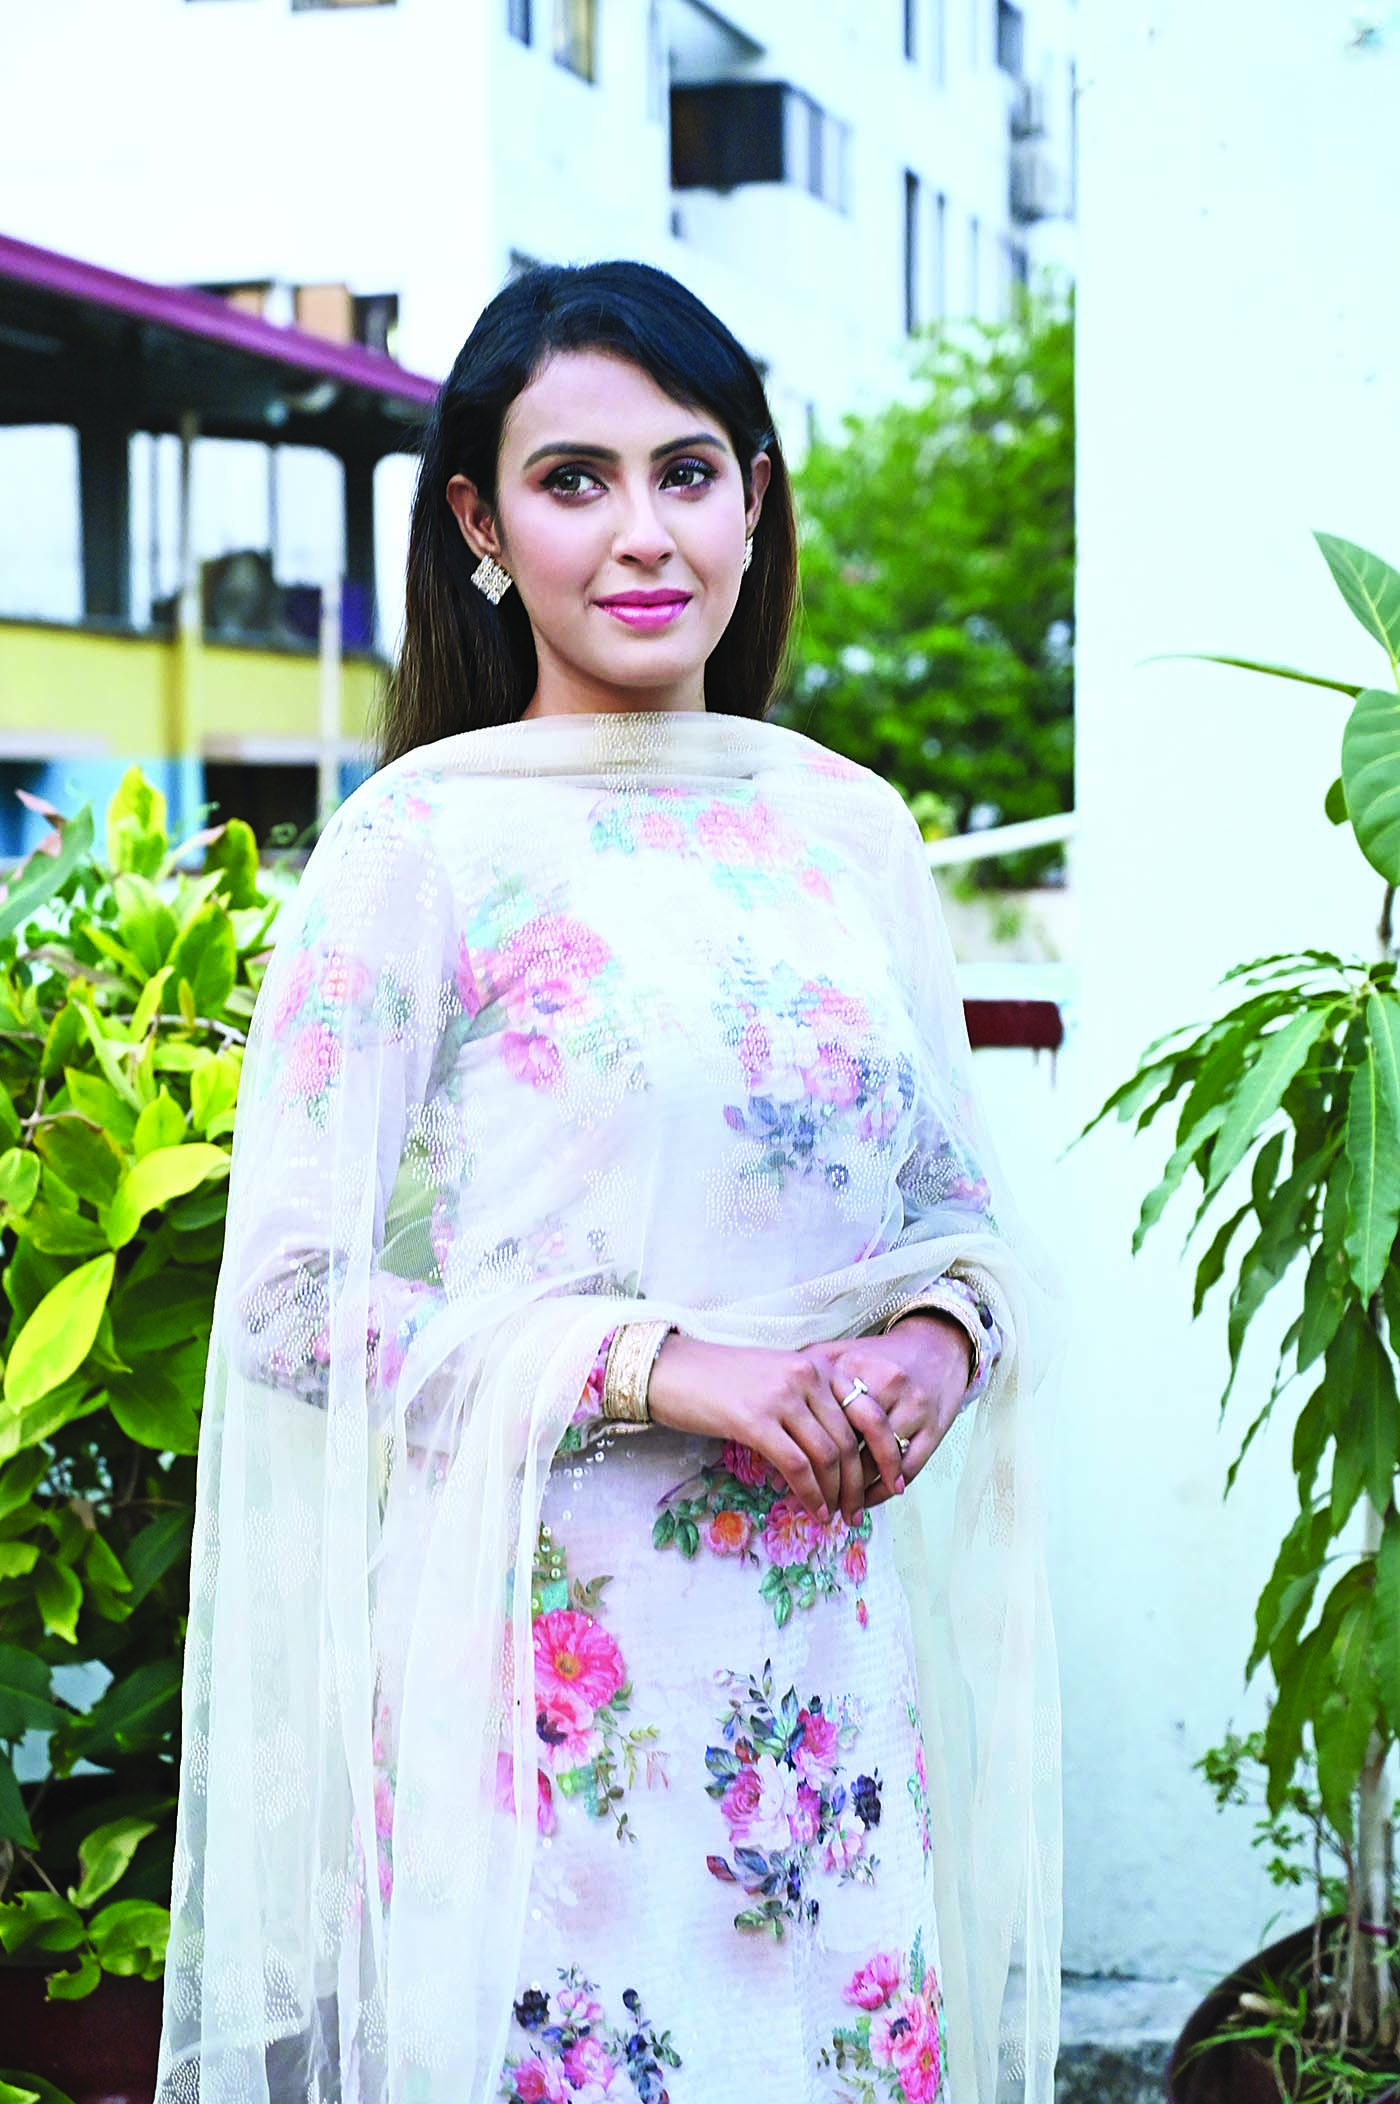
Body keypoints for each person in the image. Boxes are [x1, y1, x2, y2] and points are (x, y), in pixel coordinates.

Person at [157, 259, 1061, 2104]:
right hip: (547, 1698)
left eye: (688, 470)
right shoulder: (420, 845)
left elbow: (950, 1209)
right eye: (574, 480)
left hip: (828, 1689)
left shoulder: (846, 830)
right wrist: (661, 1368)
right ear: (481, 525)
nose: (644, 532)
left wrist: (936, 1343)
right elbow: (291, 1301)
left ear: (755, 497)